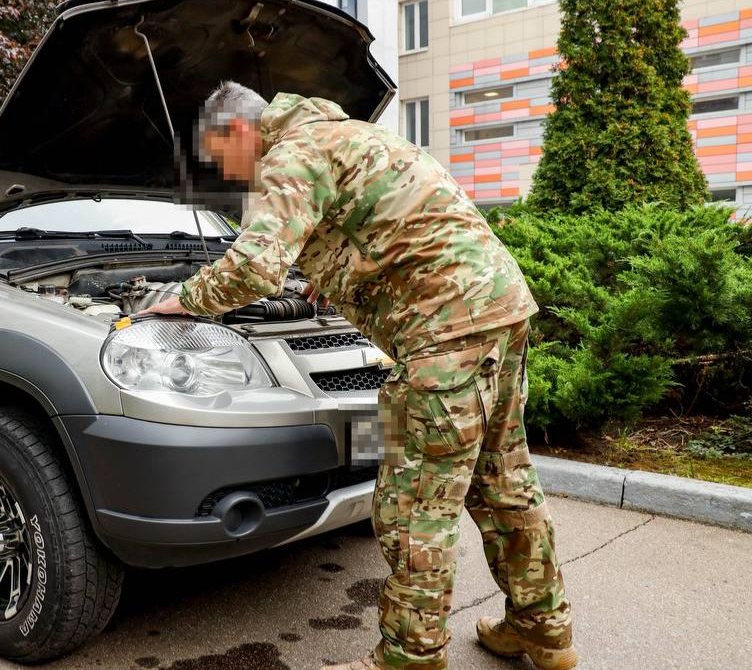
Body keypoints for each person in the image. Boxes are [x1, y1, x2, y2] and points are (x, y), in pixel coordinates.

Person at [141, 82, 576, 670]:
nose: (227, 173)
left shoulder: (290, 155)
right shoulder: (347, 136)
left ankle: (409, 658)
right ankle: (543, 630)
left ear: (236, 132)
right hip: (499, 313)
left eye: (221, 157)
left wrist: (181, 301)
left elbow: (252, 270)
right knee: (504, 480)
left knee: (414, 503)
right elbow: (384, 228)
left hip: (442, 335)